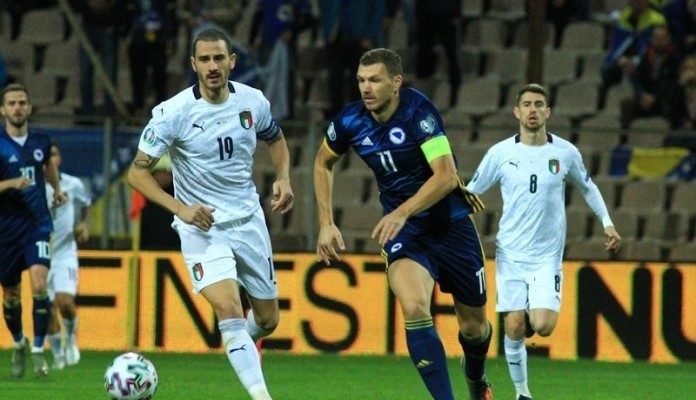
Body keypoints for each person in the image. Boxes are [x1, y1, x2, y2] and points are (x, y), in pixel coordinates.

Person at [314, 48, 493, 400]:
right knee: (413, 306)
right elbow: (322, 163)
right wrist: (325, 222)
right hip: (407, 234)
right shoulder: (349, 121)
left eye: (375, 80)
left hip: (450, 225)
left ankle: (475, 377)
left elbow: (445, 176)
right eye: (362, 81)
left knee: (473, 329)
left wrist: (402, 211)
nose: (366, 88)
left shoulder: (417, 111)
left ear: (396, 83)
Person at [126, 28, 294, 400]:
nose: (213, 66)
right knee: (229, 307)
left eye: (219, 58)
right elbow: (136, 173)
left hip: (249, 220)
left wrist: (283, 177)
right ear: (194, 65)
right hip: (203, 227)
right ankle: (260, 394)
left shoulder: (253, 102)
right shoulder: (173, 114)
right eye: (205, 59)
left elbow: (276, 139)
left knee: (267, 320)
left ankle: (241, 348)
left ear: (232, 61)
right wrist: (180, 209)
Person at [466, 83, 622, 400]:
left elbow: (588, 187)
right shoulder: (500, 153)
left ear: (548, 112)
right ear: (516, 112)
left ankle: (524, 316)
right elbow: (472, 192)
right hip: (510, 252)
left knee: (544, 325)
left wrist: (607, 223)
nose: (533, 110)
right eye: (526, 104)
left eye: (539, 104)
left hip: (546, 256)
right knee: (514, 329)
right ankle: (523, 393)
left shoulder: (564, 153)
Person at [0, 83, 67, 378]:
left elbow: (47, 165)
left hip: (37, 225)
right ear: (3, 110)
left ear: (29, 108)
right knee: (10, 295)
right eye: (12, 103)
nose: (17, 107)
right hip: (5, 231)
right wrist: (10, 184)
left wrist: (57, 188)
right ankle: (19, 343)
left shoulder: (41, 141)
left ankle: (39, 352)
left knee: (40, 285)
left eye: (22, 102)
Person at [44, 141, 92, 370]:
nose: (51, 159)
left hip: (64, 253)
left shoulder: (73, 184)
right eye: (46, 156)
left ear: (59, 158)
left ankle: (71, 338)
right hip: (41, 256)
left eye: (54, 154)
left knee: (65, 302)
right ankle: (57, 355)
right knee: (46, 308)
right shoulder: (32, 187)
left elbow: (86, 204)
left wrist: (83, 224)